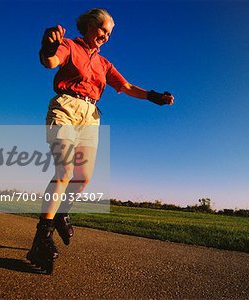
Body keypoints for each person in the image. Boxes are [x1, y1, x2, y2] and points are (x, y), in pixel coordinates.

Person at [27, 8, 174, 274]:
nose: (105, 36)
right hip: (66, 108)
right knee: (65, 171)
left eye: (109, 33)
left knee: (82, 177)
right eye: (102, 30)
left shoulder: (104, 64)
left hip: (91, 116)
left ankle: (62, 213)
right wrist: (48, 48)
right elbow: (50, 62)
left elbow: (127, 87)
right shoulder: (70, 45)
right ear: (89, 26)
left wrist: (154, 96)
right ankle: (42, 237)